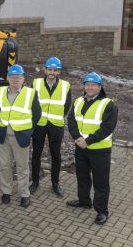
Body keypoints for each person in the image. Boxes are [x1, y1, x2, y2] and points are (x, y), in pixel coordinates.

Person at [66, 72, 118, 225]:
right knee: (82, 177)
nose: (89, 87)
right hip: (81, 148)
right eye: (87, 84)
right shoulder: (78, 101)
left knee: (100, 182)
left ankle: (102, 211)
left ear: (99, 87)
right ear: (84, 86)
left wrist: (87, 141)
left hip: (100, 150)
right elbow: (71, 121)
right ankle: (84, 201)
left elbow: (107, 128)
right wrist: (77, 139)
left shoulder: (108, 104)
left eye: (93, 85)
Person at [0, 64, 41, 208]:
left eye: (18, 77)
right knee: (4, 166)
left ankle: (24, 194)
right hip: (3, 135)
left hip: (20, 136)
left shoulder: (30, 93)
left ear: (23, 79)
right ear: (8, 78)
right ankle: (6, 192)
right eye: (12, 77)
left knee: (22, 167)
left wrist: (28, 131)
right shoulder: (0, 91)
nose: (15, 79)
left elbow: (37, 114)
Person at [30, 57, 71, 197]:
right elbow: (31, 103)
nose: (52, 72)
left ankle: (55, 183)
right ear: (45, 70)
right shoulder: (35, 83)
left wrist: (57, 115)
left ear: (59, 71)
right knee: (36, 154)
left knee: (56, 156)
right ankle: (35, 182)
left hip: (56, 125)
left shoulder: (66, 86)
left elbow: (67, 106)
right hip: (39, 124)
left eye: (55, 70)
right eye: (49, 69)